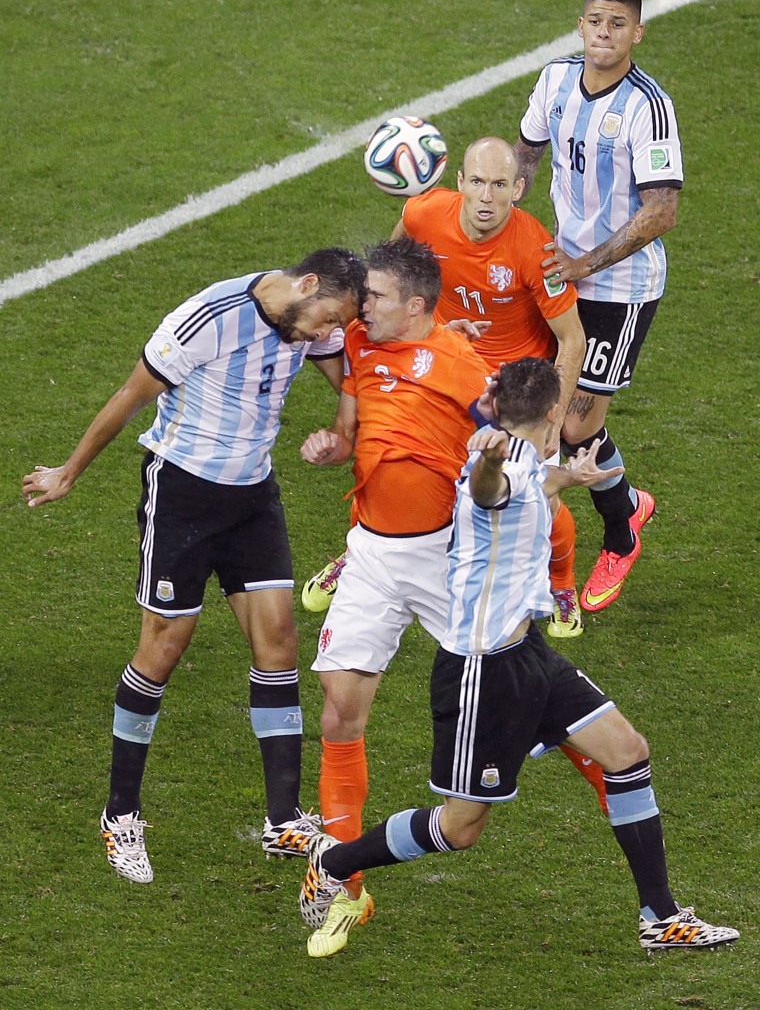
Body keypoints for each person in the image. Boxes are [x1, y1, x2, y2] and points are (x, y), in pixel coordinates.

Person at [299, 358, 739, 956]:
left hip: (527, 653)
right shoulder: (495, 469)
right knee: (461, 828)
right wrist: (485, 462)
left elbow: (538, 482)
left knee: (628, 752)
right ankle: (336, 862)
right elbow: (492, 493)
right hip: (482, 671)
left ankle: (660, 918)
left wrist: (571, 477)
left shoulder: (528, 458)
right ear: (557, 410)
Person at [22, 247, 366, 884]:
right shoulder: (209, 317)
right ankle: (120, 815)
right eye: (326, 318)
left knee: (279, 641)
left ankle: (283, 819)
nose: (326, 333)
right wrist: (70, 471)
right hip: (182, 493)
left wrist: (351, 423)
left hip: (253, 497)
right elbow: (132, 393)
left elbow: (354, 374)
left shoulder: (310, 319)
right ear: (306, 284)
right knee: (164, 645)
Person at [304, 137, 588, 640]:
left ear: (518, 189)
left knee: (534, 493)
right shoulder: (424, 213)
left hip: (510, 390)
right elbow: (392, 271)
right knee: (387, 452)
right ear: (458, 182)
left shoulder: (534, 248)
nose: (485, 196)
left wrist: (550, 421)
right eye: (476, 181)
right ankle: (360, 553)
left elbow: (572, 339)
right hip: (438, 360)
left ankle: (561, 582)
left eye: (499, 184)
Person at [299, 236, 491, 956]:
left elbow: (516, 443)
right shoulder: (359, 342)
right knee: (340, 712)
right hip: (372, 555)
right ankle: (346, 890)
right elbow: (351, 430)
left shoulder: (461, 365)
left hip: (445, 560)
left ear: (415, 305)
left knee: (525, 693)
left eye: (374, 295)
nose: (360, 305)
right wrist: (331, 445)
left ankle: (612, 764)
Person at [514, 0, 680, 612]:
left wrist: (587, 261)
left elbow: (662, 209)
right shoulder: (555, 80)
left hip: (621, 284)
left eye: (618, 24)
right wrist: (507, 196)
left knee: (578, 423)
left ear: (637, 34)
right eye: (595, 21)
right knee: (538, 401)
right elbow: (529, 146)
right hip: (560, 269)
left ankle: (622, 528)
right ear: (580, 24)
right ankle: (627, 507)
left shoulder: (648, 107)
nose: (604, 32)